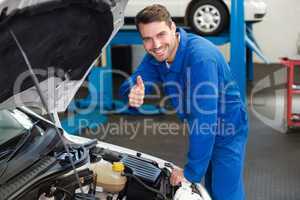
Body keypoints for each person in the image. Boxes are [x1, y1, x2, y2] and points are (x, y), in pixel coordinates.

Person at [119, 4, 248, 200]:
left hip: (227, 127)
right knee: (212, 187)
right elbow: (133, 81)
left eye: (161, 34)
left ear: (173, 28)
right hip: (201, 122)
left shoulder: (200, 59)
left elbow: (205, 120)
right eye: (147, 39)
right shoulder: (157, 56)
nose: (156, 45)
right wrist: (132, 91)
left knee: (224, 191)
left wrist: (190, 173)